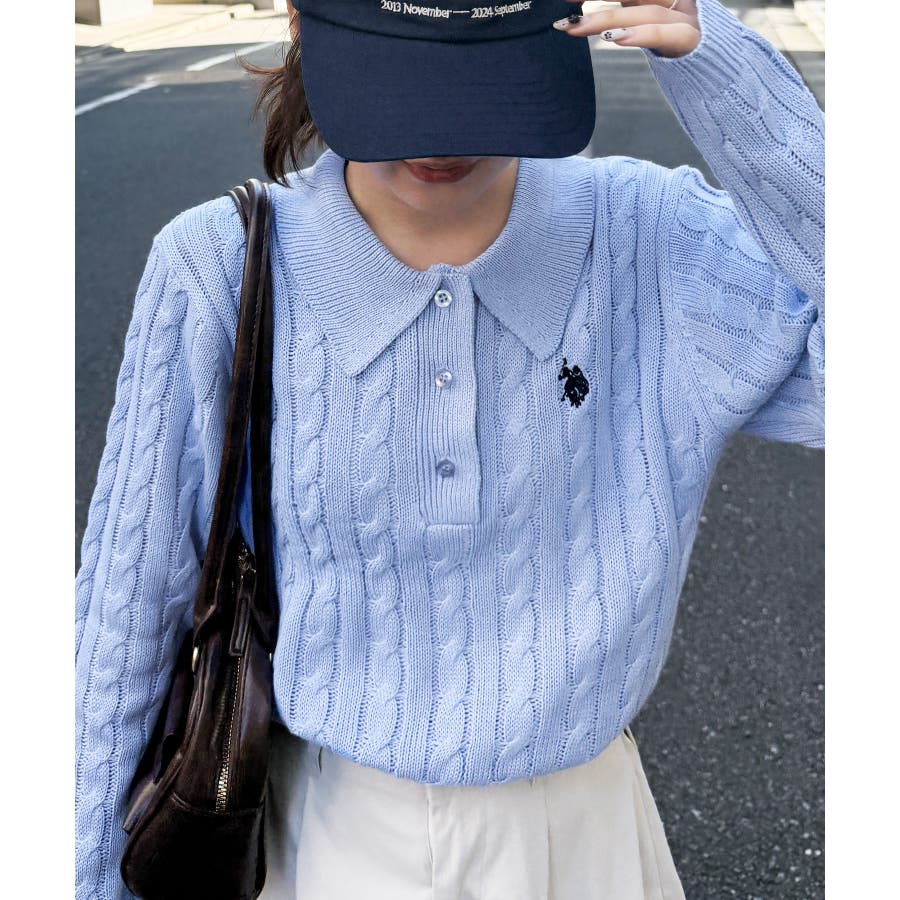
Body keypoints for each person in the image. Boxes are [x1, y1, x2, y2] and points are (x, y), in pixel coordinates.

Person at [74, 0, 824, 897]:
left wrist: (721, 66)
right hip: (314, 840)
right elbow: (124, 617)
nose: (440, 137)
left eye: (481, 82)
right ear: (303, 25)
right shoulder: (216, 267)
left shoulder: (648, 239)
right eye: (401, 81)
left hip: (584, 843)